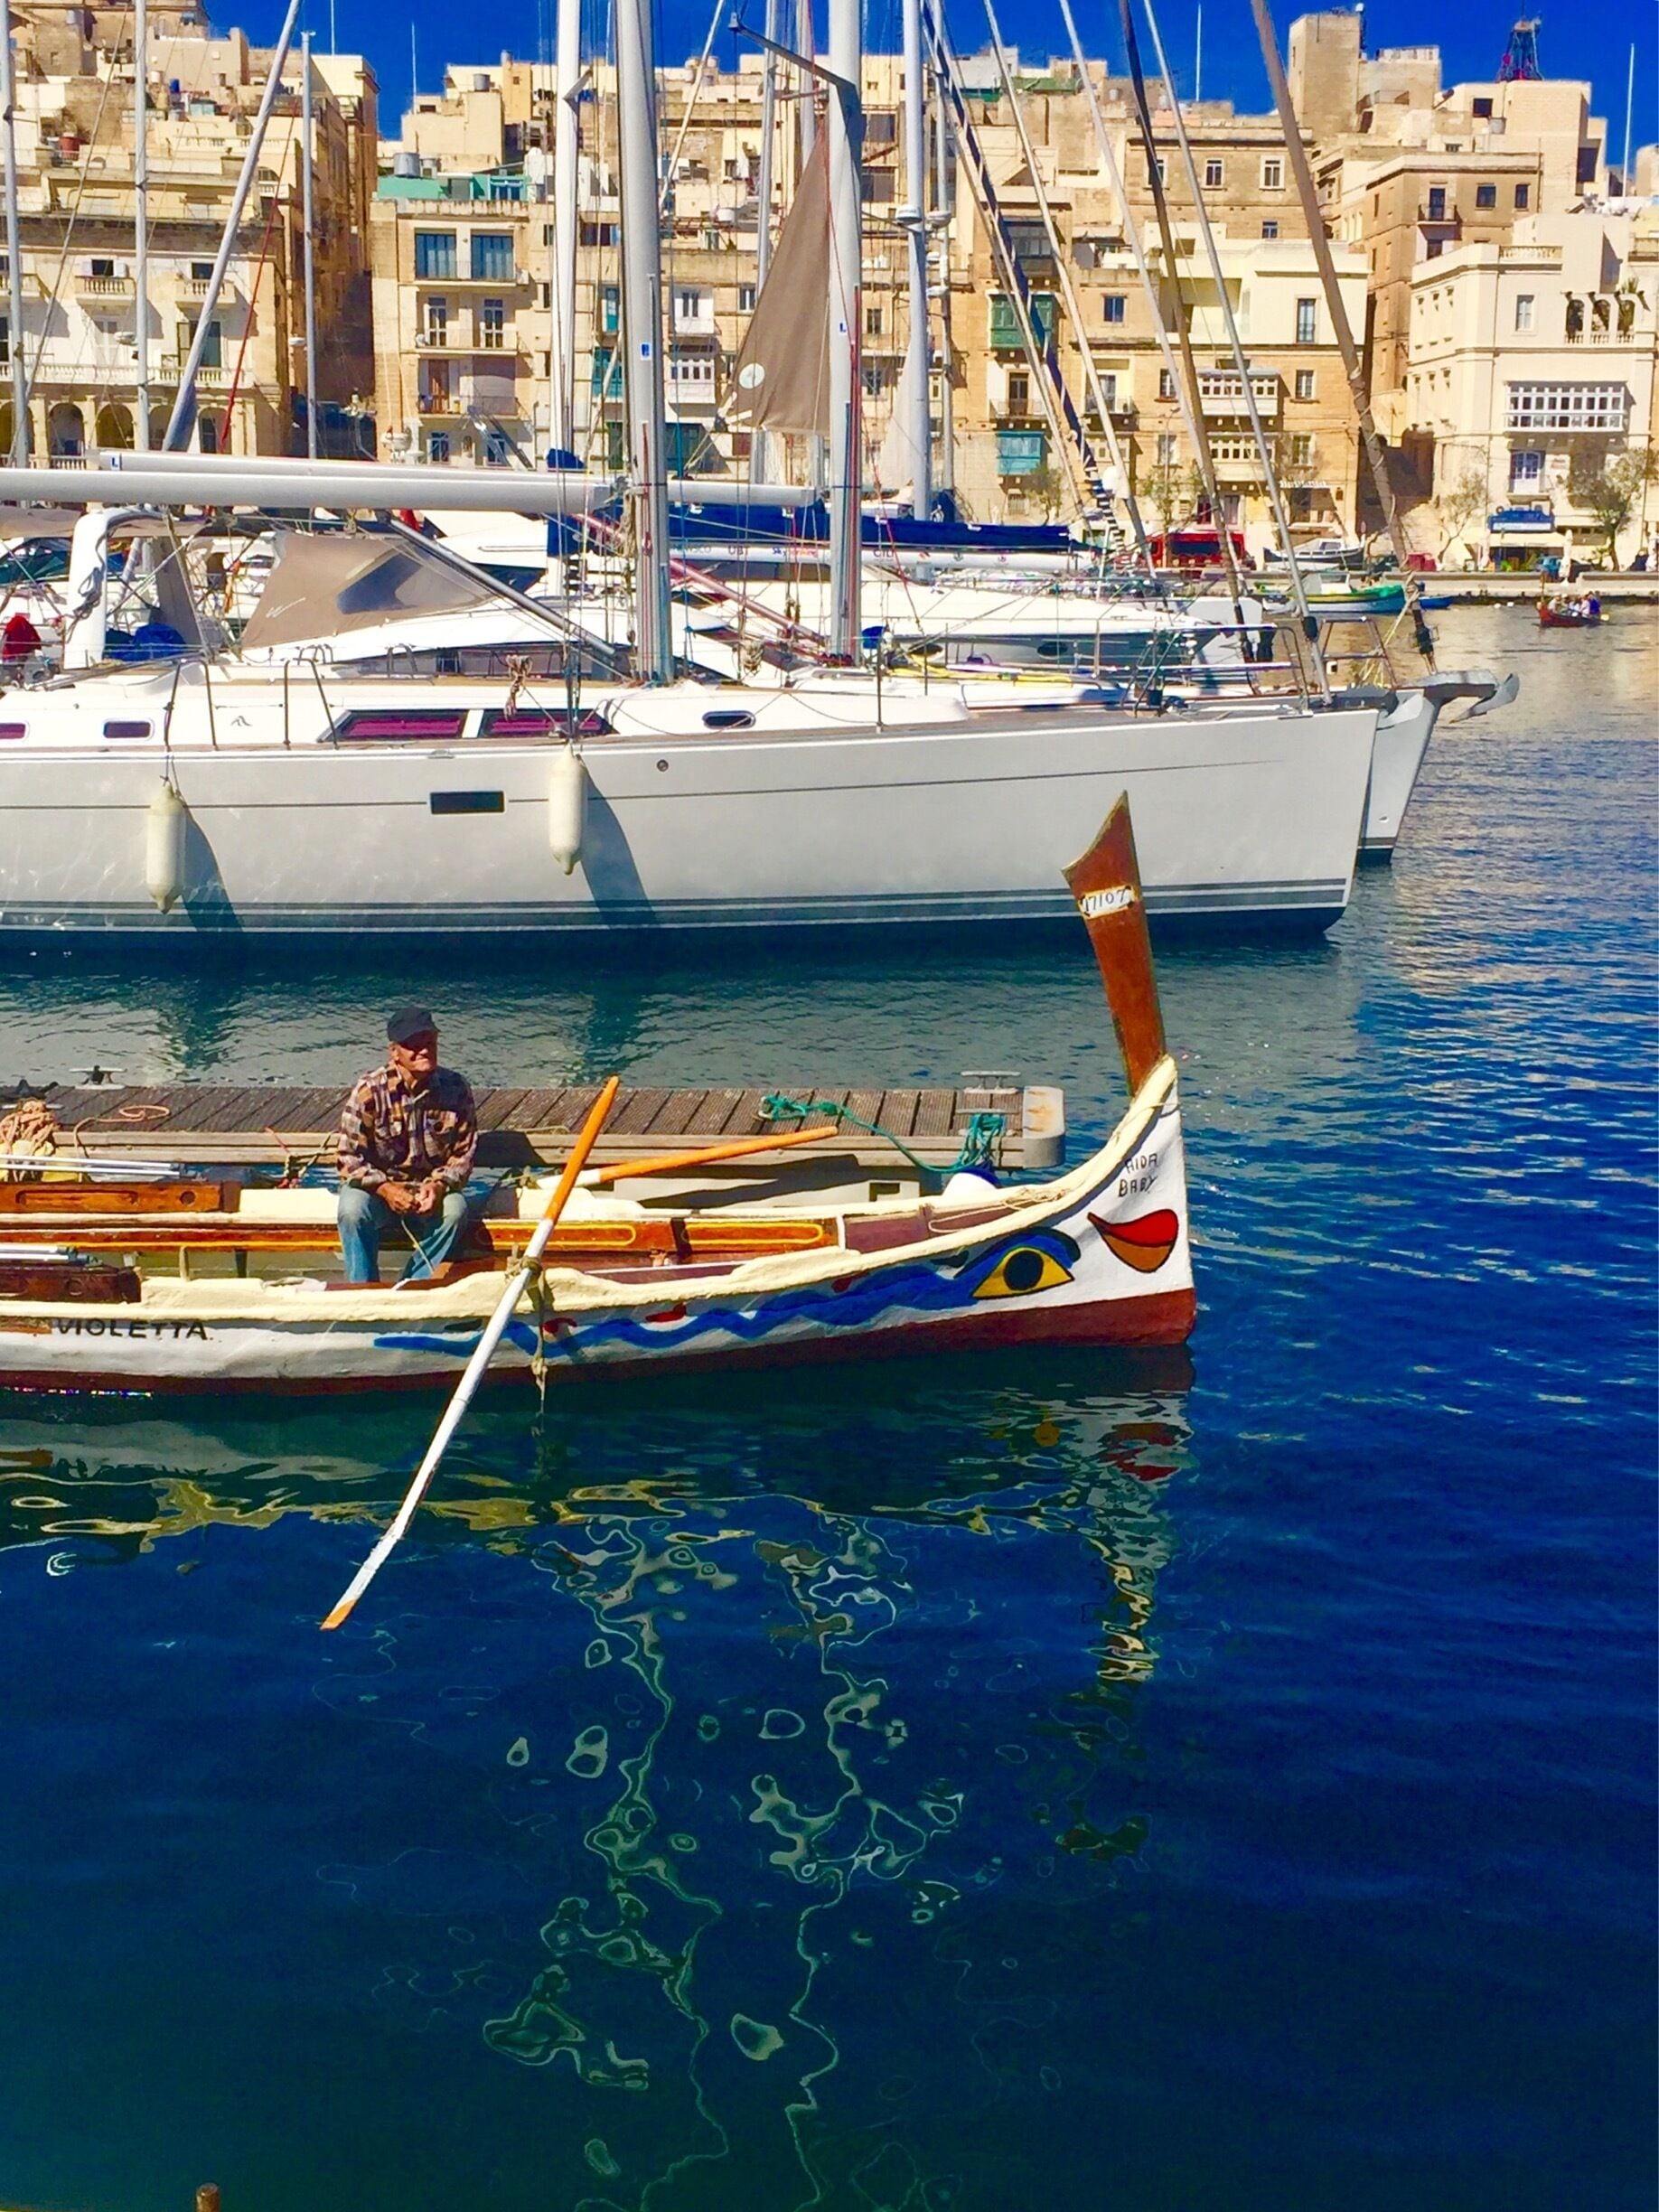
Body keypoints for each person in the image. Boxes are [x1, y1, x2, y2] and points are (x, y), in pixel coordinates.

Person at [336, 1008, 479, 1283]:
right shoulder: (369, 1091)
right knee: (352, 1211)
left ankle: (413, 1285)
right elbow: (348, 1158)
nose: (424, 1051)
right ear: (395, 1052)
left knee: (455, 1211)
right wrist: (386, 1189)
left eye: (430, 1043)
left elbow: (464, 1154)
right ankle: (363, 1289)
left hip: (429, 1192)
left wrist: (438, 1186)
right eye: (414, 1045)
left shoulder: (456, 1088)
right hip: (378, 1191)